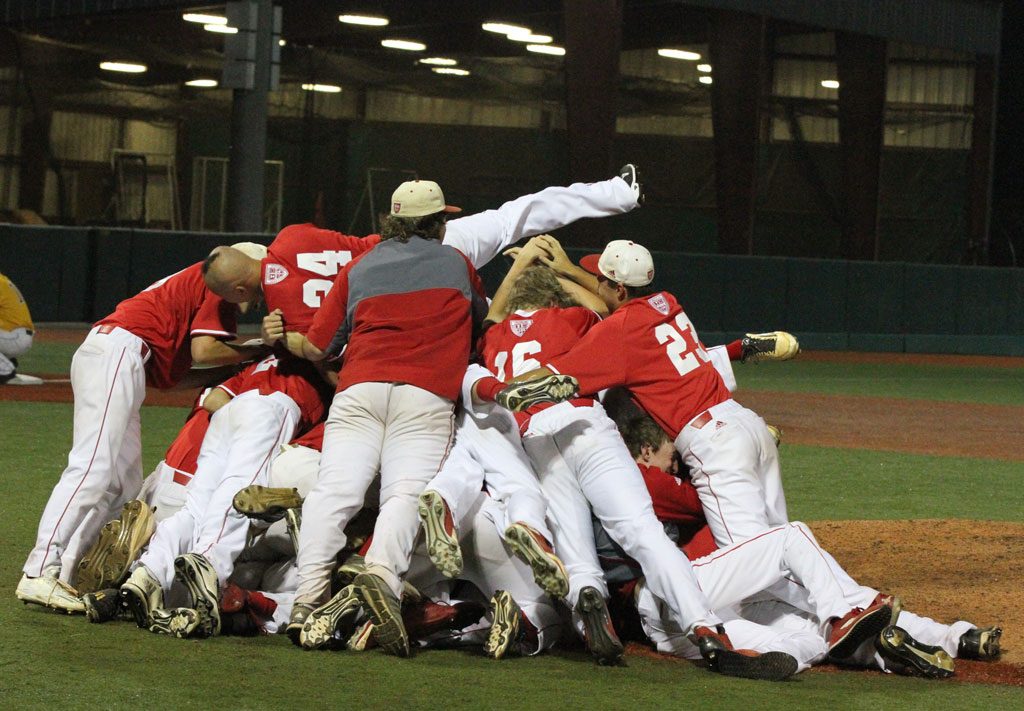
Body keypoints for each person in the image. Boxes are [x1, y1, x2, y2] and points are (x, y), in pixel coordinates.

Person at [275, 179, 488, 657]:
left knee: (335, 494)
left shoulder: (360, 266)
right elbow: (480, 324)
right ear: (436, 224)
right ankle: (380, 583)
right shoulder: (457, 264)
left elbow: (315, 346)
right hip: (424, 394)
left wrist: (285, 339)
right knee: (404, 495)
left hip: (360, 389)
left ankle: (307, 601)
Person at [17, 248, 265, 614]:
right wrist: (258, 349)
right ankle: (39, 568)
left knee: (123, 483)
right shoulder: (217, 289)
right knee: (94, 468)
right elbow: (206, 349)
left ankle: (69, 572)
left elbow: (174, 378)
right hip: (119, 350)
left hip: (120, 354)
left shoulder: (194, 290)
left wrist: (239, 360)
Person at [0, 271, 42, 385]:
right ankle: (6, 361)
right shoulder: (2, 280)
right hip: (13, 335)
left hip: (15, 336)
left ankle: (6, 371)